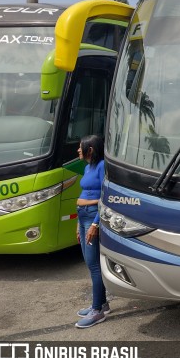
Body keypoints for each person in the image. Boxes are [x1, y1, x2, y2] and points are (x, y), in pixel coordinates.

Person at [75, 135, 108, 328]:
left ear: (91, 149)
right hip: (82, 217)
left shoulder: (102, 165)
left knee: (93, 264)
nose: (78, 151)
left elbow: (106, 195)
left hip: (93, 217)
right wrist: (77, 224)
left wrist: (95, 224)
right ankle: (102, 303)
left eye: (81, 148)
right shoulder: (88, 167)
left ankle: (98, 311)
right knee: (89, 262)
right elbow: (83, 194)